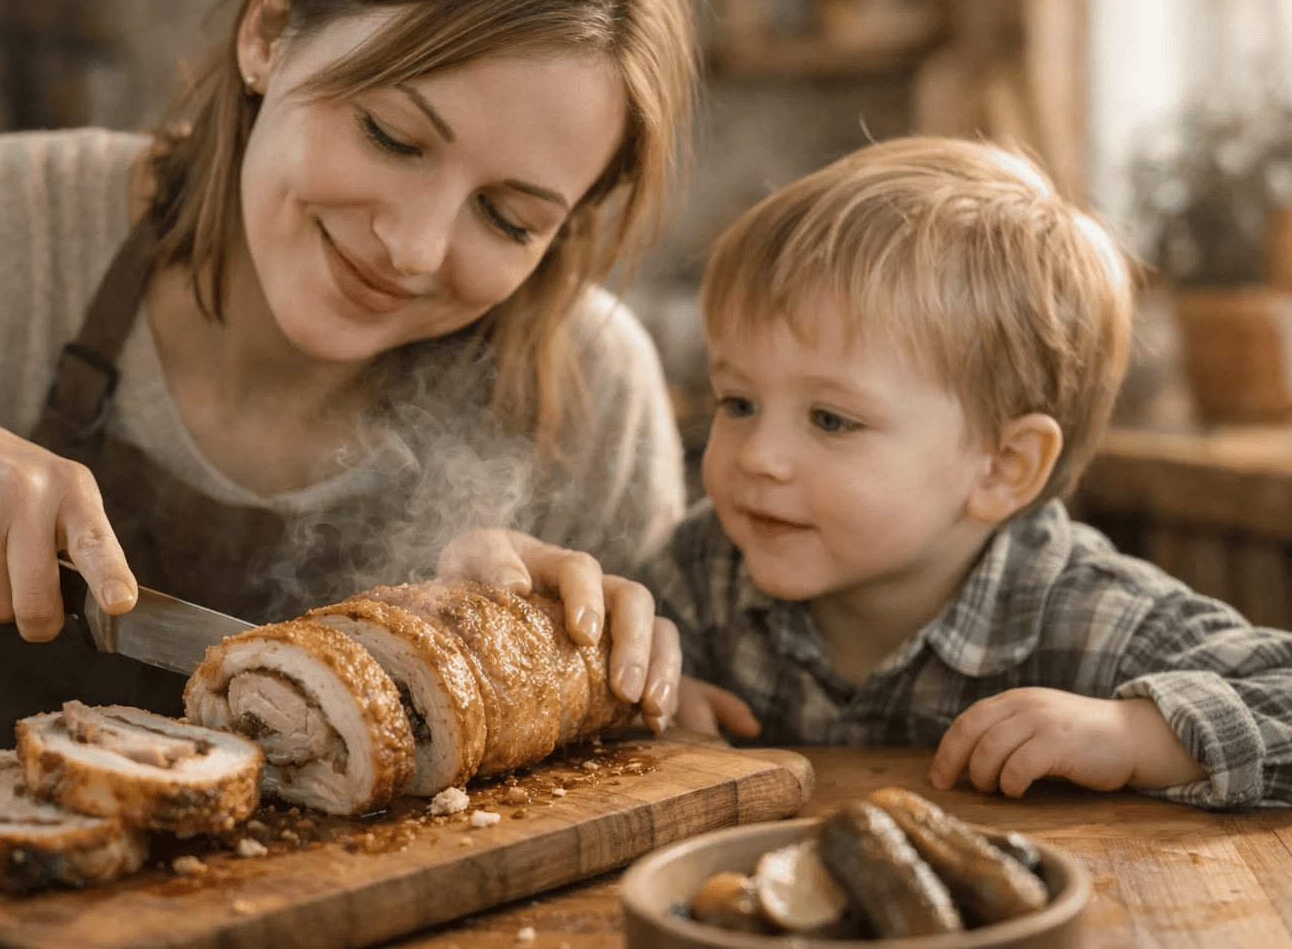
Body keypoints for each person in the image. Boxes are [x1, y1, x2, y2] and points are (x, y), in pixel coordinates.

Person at [0, 0, 699, 750]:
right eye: (389, 135)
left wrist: (553, 668)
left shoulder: (598, 392)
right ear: (269, 32)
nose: (413, 249)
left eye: (507, 217)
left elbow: (656, 764)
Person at [448, 136, 1292, 808]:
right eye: (737, 402)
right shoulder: (703, 580)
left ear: (1004, 466)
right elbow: (580, 713)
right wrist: (633, 704)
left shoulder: (1091, 613)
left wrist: (1141, 736)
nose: (757, 457)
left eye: (830, 419)